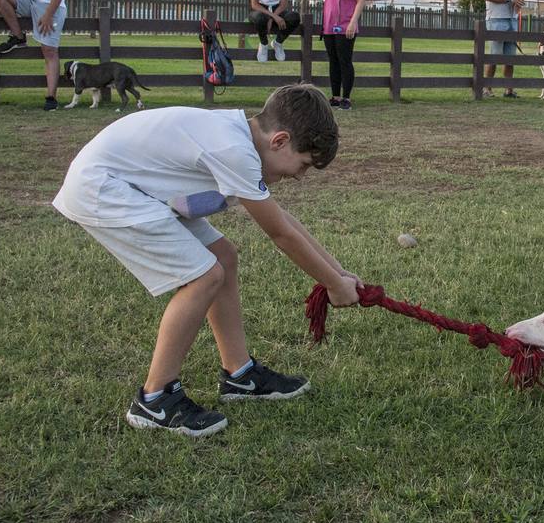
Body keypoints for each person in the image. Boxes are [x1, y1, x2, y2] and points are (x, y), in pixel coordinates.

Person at [51, 85, 360, 437]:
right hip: (103, 188)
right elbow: (280, 234)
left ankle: (240, 375)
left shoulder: (240, 140)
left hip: (131, 186)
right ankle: (155, 400)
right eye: (303, 164)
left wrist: (337, 272)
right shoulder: (235, 151)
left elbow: (284, 221)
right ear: (280, 141)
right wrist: (333, 285)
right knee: (204, 275)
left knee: (222, 257)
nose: (301, 176)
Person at [312, 0, 366, 110]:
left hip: (345, 26)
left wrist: (352, 23)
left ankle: (346, 98)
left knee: (345, 61)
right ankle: (335, 97)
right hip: (329, 26)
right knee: (333, 61)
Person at [481, 0, 520, 98]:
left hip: (511, 19)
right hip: (496, 19)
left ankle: (508, 90)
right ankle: (486, 88)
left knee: (510, 58)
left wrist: (516, 2)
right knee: (494, 56)